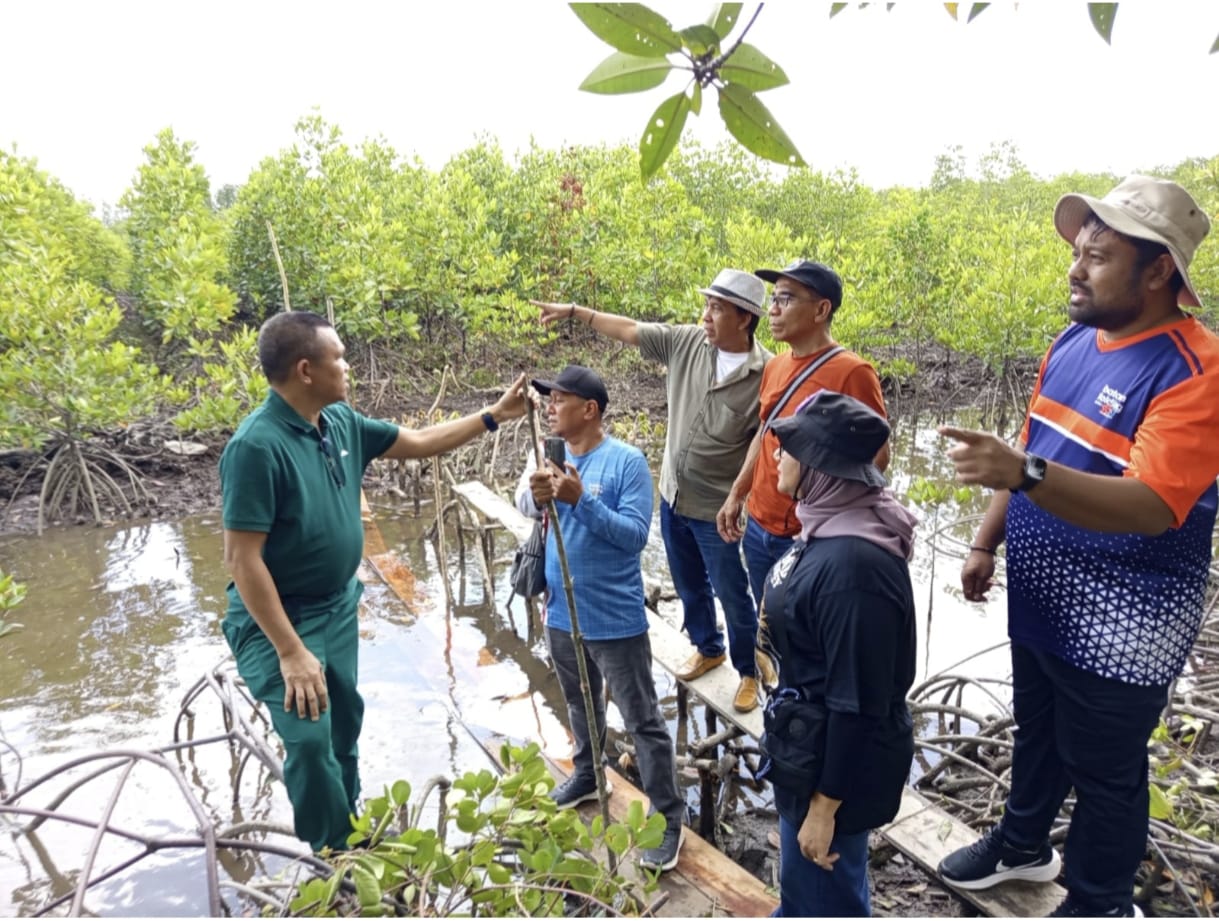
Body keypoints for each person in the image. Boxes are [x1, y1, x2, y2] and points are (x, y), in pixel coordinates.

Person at [936, 175, 1219, 918]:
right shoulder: (1069, 342)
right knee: (1038, 731)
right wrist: (985, 540)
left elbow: (1152, 505)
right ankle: (1021, 844)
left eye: (1097, 257)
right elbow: (1031, 445)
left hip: (1127, 621)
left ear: (1158, 271)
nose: (1075, 269)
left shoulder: (1195, 369)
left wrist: (1022, 473)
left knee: (1105, 768)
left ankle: (1099, 900)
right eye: (1076, 253)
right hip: (1041, 595)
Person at [220, 310, 527, 852]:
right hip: (280, 621)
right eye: (339, 358)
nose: (348, 367)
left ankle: (352, 825)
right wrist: (290, 651)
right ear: (306, 370)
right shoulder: (255, 447)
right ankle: (335, 853)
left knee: (344, 723)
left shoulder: (338, 422)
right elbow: (242, 561)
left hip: (337, 606)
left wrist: (494, 416)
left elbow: (420, 440)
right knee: (309, 739)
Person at [531, 269, 772, 713]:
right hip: (674, 495)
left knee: (731, 590)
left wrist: (739, 495)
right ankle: (708, 647)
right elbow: (628, 330)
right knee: (688, 582)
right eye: (707, 305)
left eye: (717, 309)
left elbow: (763, 439)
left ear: (745, 318)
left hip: (716, 506)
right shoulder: (686, 342)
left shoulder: (766, 372)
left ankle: (748, 671)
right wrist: (574, 312)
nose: (705, 316)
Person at [514, 364, 685, 872]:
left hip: (614, 618)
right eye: (548, 400)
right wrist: (536, 495)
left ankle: (667, 818)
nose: (550, 407)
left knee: (642, 720)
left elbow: (634, 537)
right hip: (560, 612)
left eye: (559, 400)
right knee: (578, 702)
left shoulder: (627, 462)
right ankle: (589, 773)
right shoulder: (549, 453)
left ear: (589, 410)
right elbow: (524, 505)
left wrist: (580, 500)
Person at [758, 390, 917, 917]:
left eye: (790, 447)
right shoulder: (828, 522)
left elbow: (859, 702)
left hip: (834, 767)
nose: (778, 454)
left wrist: (825, 808)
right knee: (807, 892)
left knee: (826, 899)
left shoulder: (855, 571)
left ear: (820, 465)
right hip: (809, 747)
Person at [716, 260, 890, 619]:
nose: (773, 310)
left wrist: (826, 521)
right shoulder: (776, 365)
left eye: (786, 299)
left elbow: (877, 457)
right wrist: (737, 493)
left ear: (821, 310)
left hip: (807, 535)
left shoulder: (852, 372)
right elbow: (764, 432)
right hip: (759, 525)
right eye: (773, 299)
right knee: (769, 622)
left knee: (804, 630)